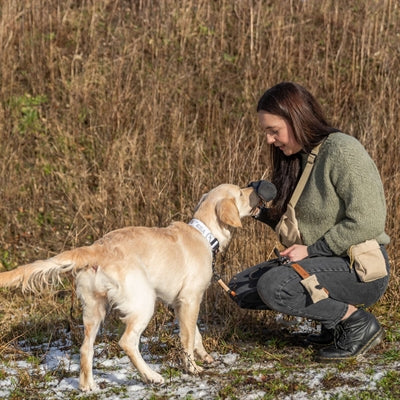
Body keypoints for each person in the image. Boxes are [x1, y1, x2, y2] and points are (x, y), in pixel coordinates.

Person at [251, 82, 390, 361]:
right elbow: (298, 230)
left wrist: (312, 252)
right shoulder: (298, 160)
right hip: (327, 263)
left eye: (273, 131)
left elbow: (369, 221)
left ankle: (356, 324)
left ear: (296, 118)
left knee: (273, 286)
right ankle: (332, 326)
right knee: (245, 286)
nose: (269, 139)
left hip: (360, 270)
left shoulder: (342, 150)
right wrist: (255, 211)